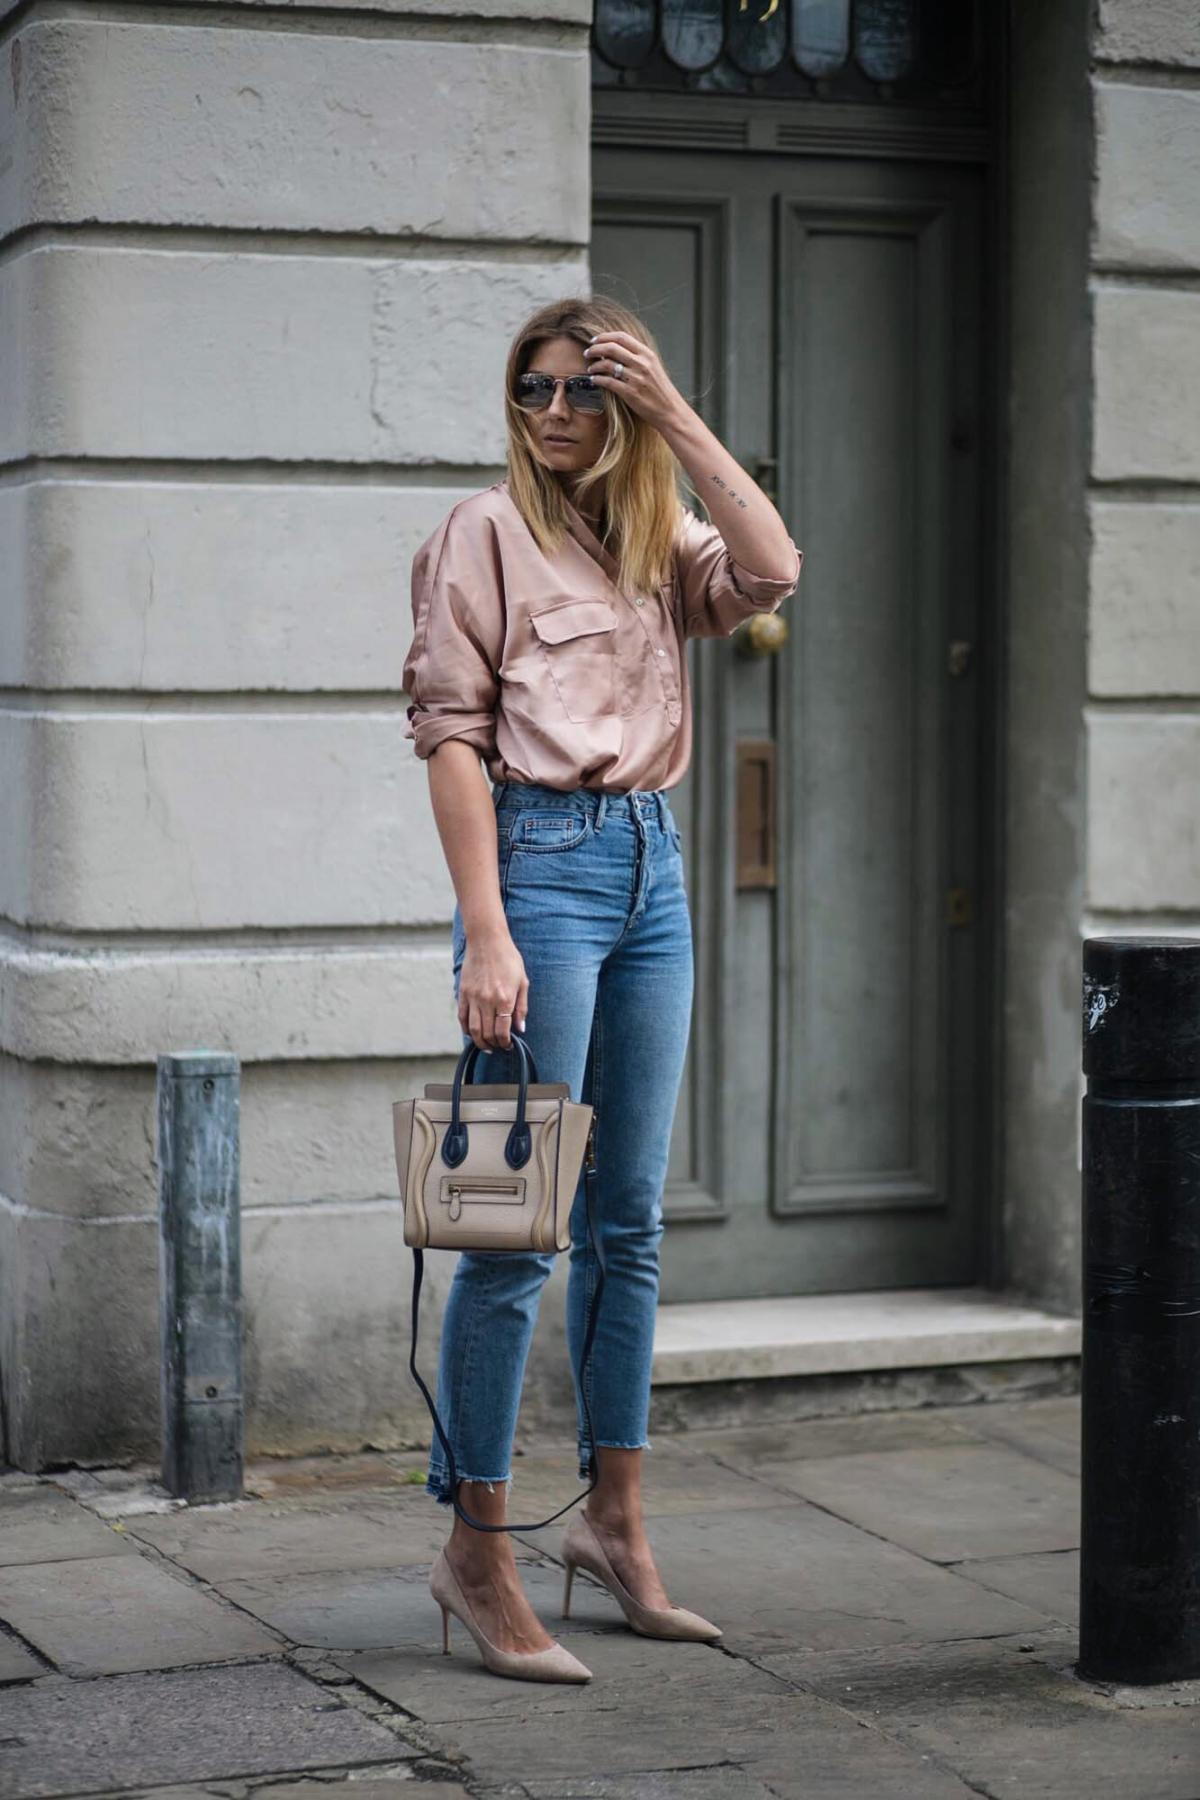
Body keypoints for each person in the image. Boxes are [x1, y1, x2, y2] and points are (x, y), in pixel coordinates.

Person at [401, 295, 802, 1683]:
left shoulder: (653, 544)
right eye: (536, 387)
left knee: (628, 1221)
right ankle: (479, 1548)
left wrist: (677, 413)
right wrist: (488, 932)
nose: (558, 411)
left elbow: (775, 564)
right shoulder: (481, 535)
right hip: (540, 875)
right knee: (517, 1233)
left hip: (651, 875)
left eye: (585, 390)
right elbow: (451, 738)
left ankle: (617, 1533)